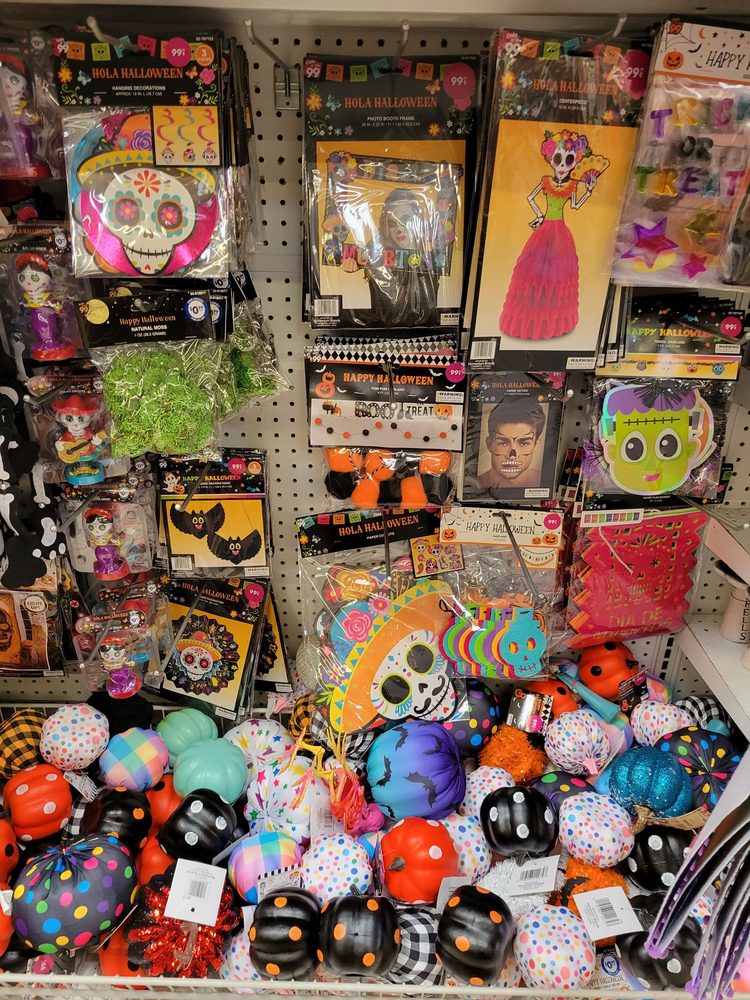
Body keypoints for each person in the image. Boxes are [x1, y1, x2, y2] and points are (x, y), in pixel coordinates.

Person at [477, 397, 546, 490]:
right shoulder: (474, 485)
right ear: (489, 444)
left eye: (524, 443)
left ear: (535, 445)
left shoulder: (545, 482)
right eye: (503, 443)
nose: (513, 455)